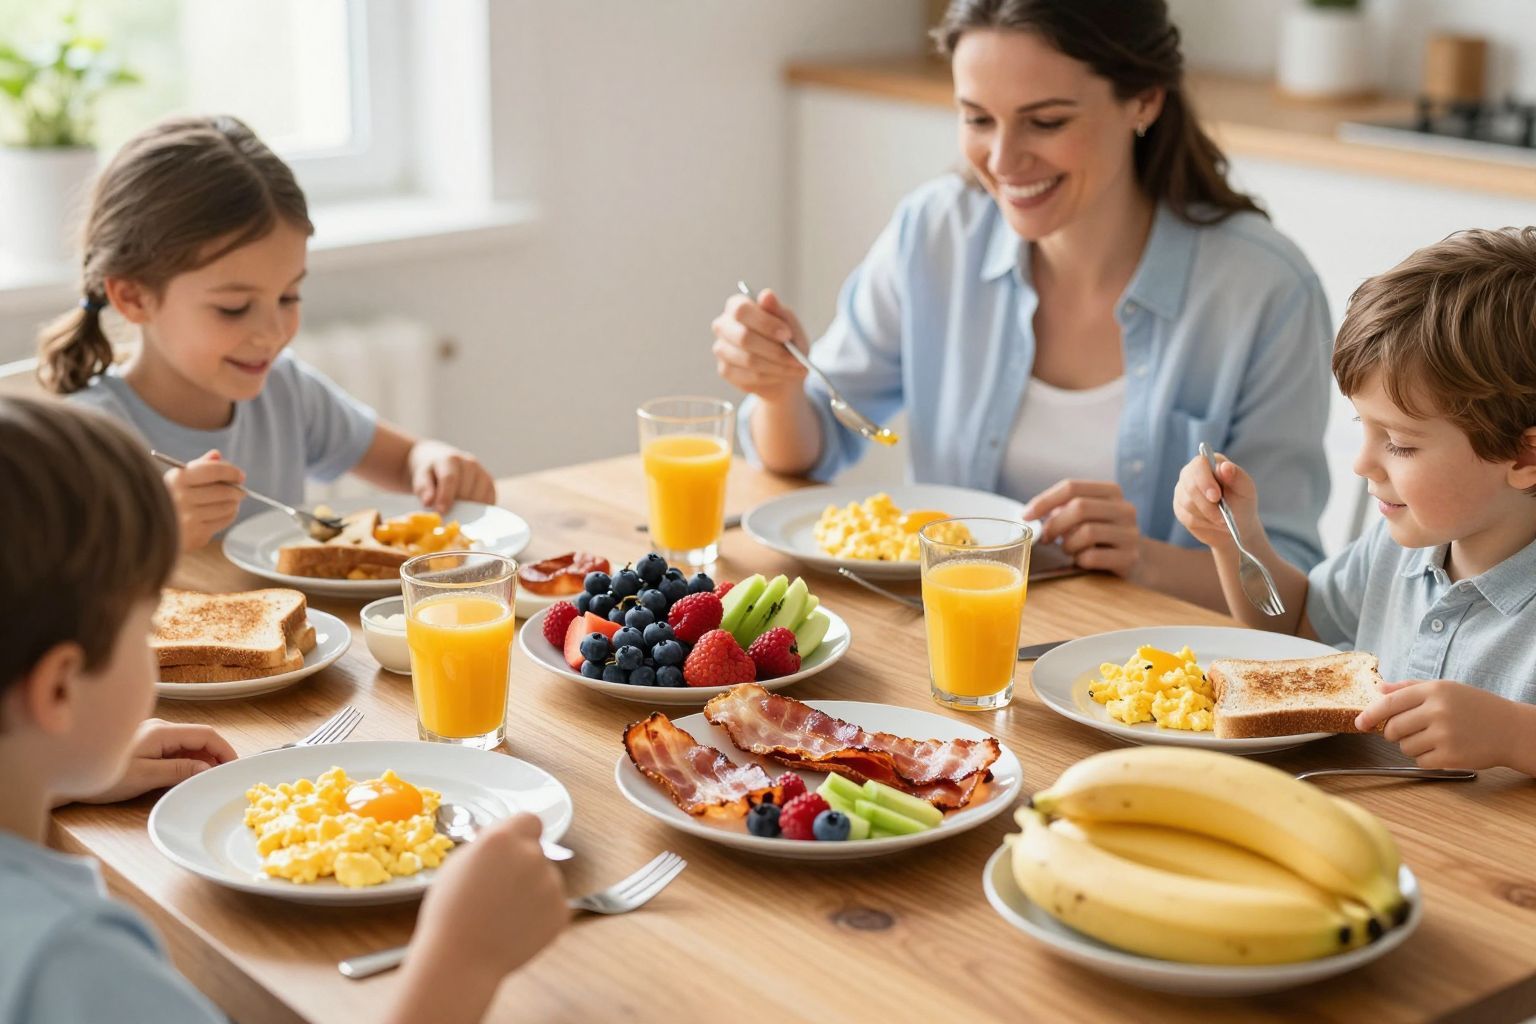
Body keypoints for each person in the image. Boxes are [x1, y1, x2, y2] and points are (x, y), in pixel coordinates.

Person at [711, 0, 1334, 608]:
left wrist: (1142, 557)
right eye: (978, 119)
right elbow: (812, 442)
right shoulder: (934, 234)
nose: (1003, 161)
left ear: (1144, 99)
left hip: (1147, 684)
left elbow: (1288, 588)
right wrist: (777, 389)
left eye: (1047, 121)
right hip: (945, 642)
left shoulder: (1265, 290)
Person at [0, 397, 568, 1023]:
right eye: (145, 625)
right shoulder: (72, 963)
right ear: (58, 691)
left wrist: (51, 773)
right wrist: (464, 960)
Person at [35, 115, 496, 552]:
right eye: (233, 308)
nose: (273, 333)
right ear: (134, 297)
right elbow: (55, 602)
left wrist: (434, 462)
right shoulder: (91, 441)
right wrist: (156, 535)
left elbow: (403, 460)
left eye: (288, 297)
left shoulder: (284, 390)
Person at [1173, 228, 1536, 773]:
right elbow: (1295, 623)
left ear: (1523, 456)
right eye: (1362, 426)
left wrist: (1516, 735)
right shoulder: (1397, 547)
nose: (1362, 462)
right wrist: (1236, 540)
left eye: (1400, 443)